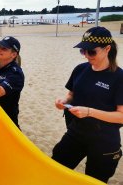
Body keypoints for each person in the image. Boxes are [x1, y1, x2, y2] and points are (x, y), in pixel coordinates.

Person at [52, 26, 123, 183]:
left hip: (104, 140)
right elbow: (71, 94)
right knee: (55, 167)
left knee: (94, 180)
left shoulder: (119, 77)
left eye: (91, 52)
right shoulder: (80, 69)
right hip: (76, 132)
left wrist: (90, 112)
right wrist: (64, 102)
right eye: (83, 51)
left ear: (107, 49)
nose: (86, 56)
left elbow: (121, 116)